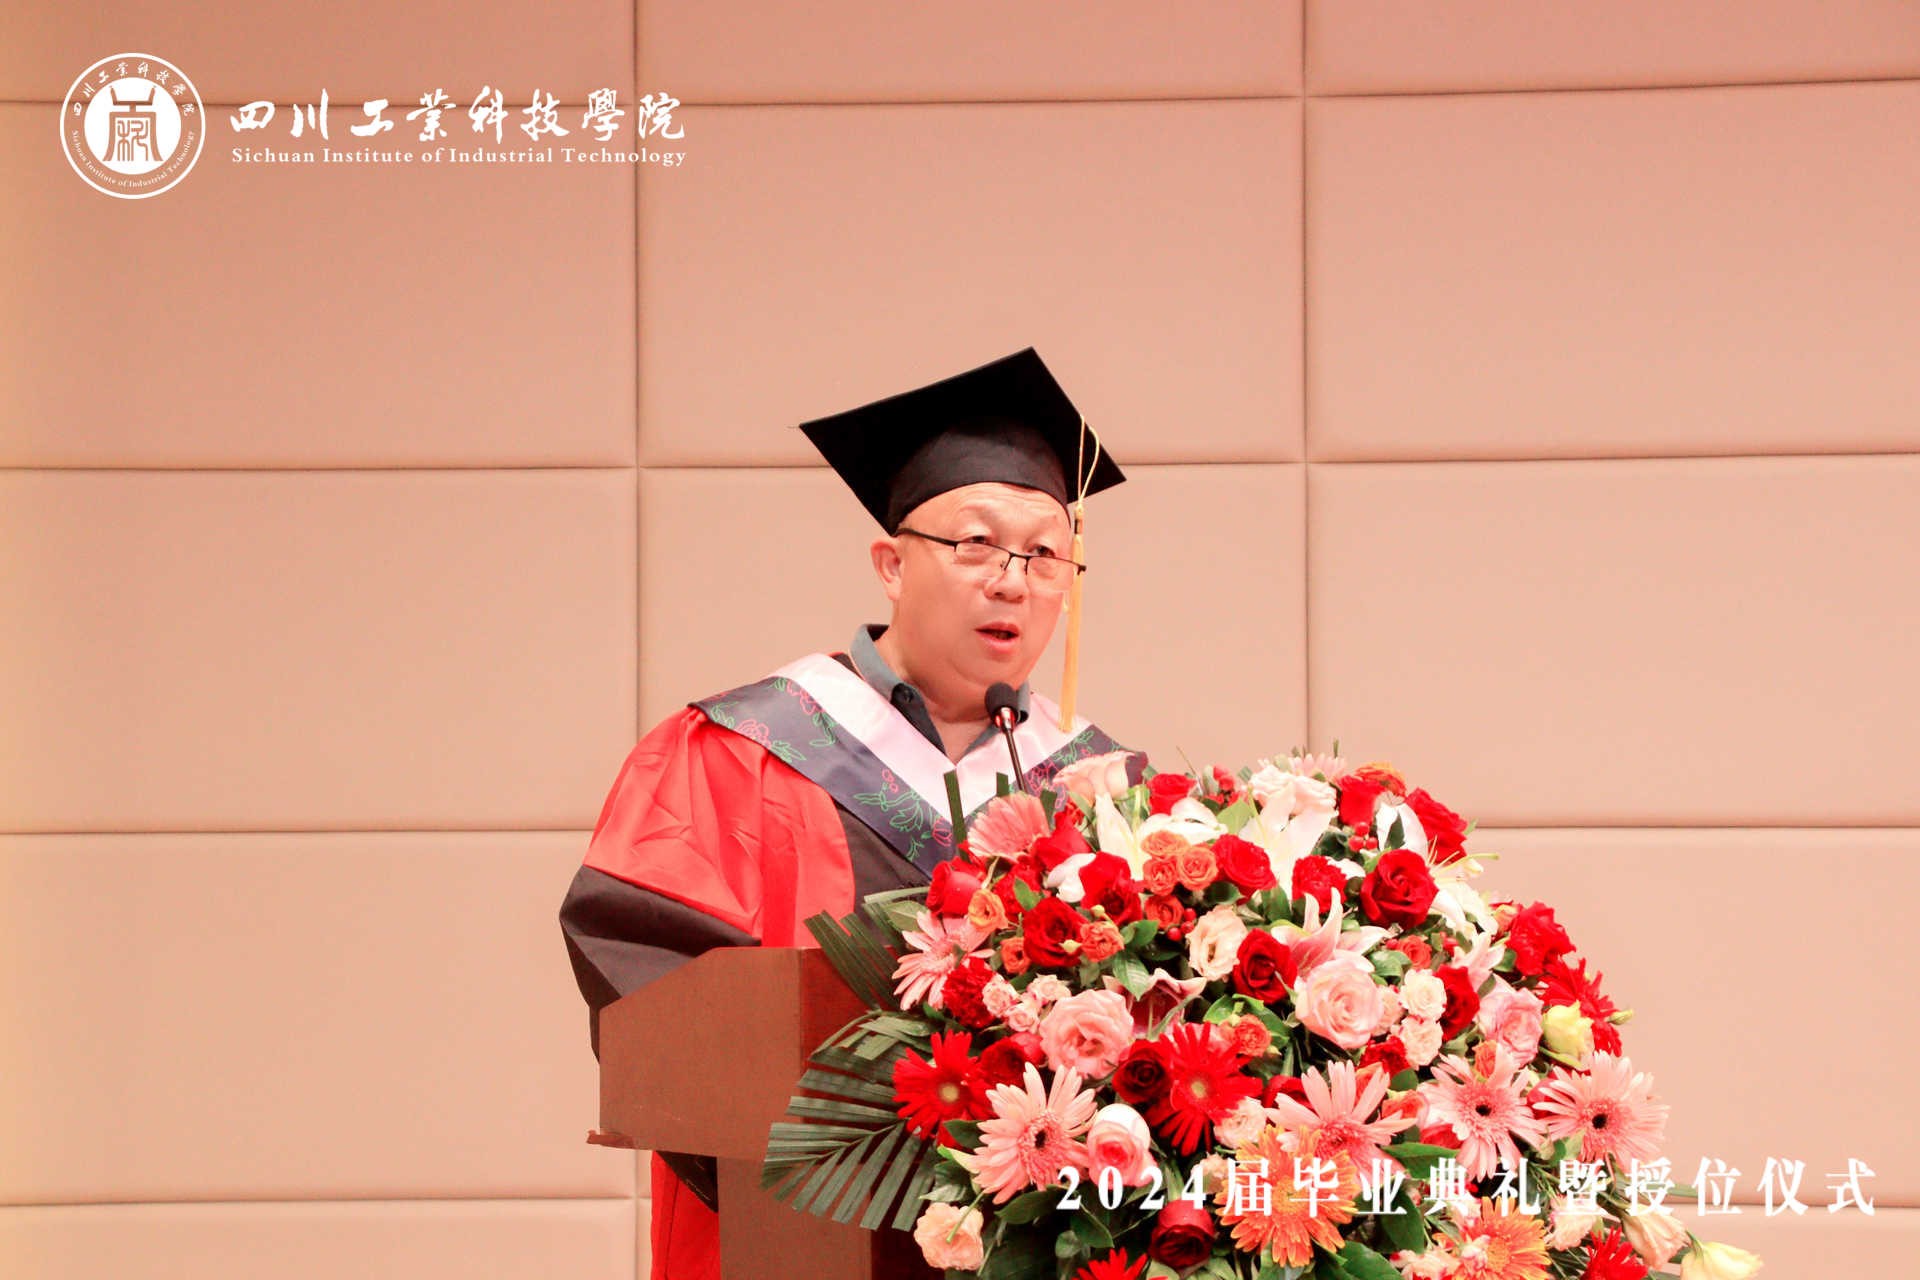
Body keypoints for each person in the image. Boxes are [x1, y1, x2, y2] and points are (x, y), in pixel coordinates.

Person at [558, 346, 1131, 1280]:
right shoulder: (739, 750)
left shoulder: (1105, 795)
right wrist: (846, 1168)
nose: (1013, 581)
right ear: (891, 566)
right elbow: (643, 973)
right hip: (796, 1239)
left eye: (1045, 556)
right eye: (976, 543)